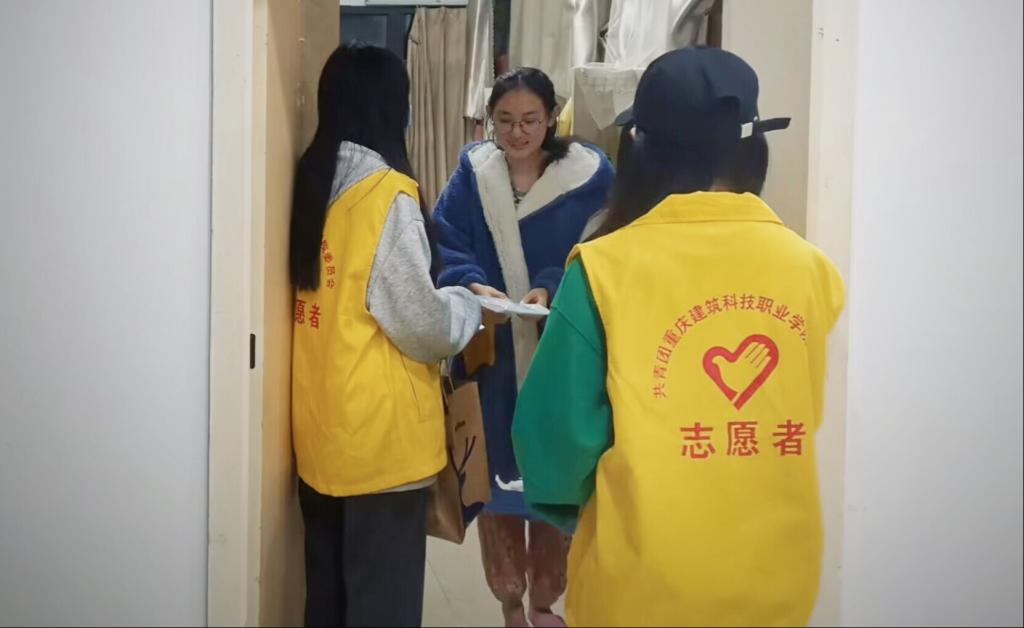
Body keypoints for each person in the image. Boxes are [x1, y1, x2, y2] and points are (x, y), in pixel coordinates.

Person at [512, 47, 846, 627]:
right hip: (779, 586)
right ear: (753, 149)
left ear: (641, 152)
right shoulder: (810, 268)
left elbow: (555, 443)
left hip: (641, 590)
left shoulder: (603, 270)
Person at [288, 44, 482, 628]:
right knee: (383, 609)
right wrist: (467, 305)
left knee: (328, 603)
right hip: (381, 443)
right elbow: (423, 327)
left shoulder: (312, 180)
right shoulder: (385, 193)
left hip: (321, 432)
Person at [433, 67, 614, 627]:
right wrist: (469, 282)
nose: (516, 133)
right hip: (491, 352)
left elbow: (605, 248)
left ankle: (546, 599)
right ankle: (510, 600)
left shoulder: (591, 177)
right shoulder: (473, 174)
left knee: (555, 472)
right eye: (505, 121)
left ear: (552, 116)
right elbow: (446, 240)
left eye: (530, 120)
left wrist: (552, 285)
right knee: (495, 480)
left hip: (561, 350)